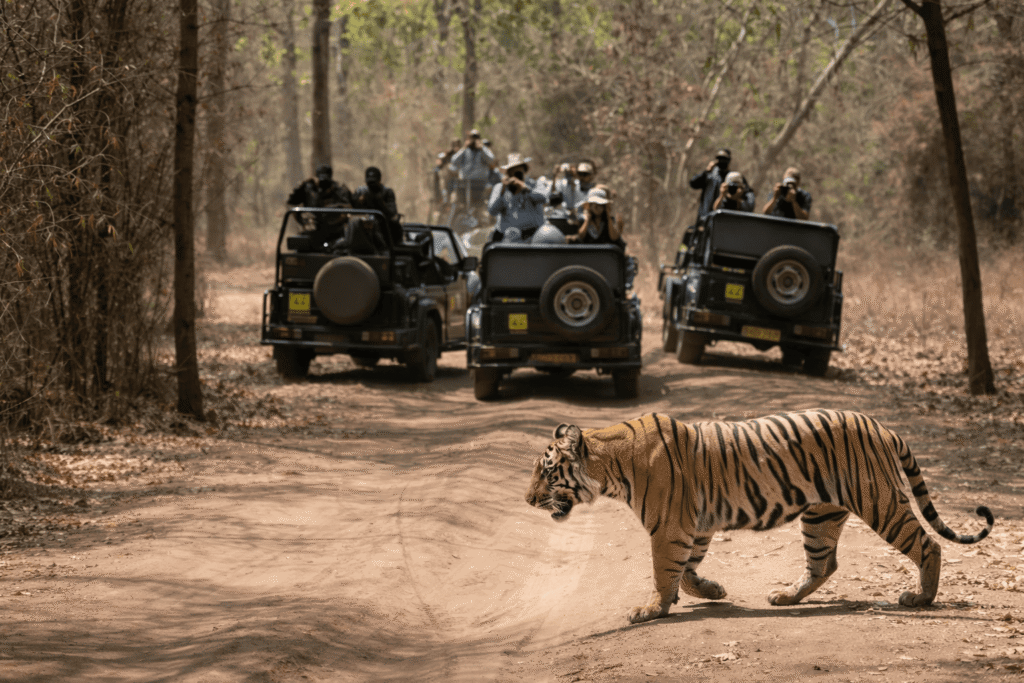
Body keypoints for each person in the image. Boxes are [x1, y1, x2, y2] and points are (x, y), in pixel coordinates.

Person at [487, 153, 547, 243]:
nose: (517, 173)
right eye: (513, 171)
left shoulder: (534, 184)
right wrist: (503, 190)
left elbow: (543, 198)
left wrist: (524, 188)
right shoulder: (500, 187)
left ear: (524, 170)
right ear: (508, 172)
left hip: (531, 235)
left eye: (520, 170)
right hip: (507, 236)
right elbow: (492, 211)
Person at [448, 129, 497, 224]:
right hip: (465, 184)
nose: (474, 141)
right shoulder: (465, 150)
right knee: (458, 204)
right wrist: (464, 148)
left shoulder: (483, 150)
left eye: (476, 138)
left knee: (481, 204)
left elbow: (491, 160)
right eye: (472, 138)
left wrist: (482, 148)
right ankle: (453, 223)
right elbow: (454, 161)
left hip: (480, 184)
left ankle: (484, 221)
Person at [353, 166, 402, 244]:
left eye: (374, 182)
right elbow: (352, 211)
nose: (372, 186)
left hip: (383, 226)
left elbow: (392, 214)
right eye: (369, 183)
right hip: (364, 225)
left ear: (379, 180)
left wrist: (380, 202)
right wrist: (358, 202)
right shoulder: (361, 191)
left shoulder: (387, 192)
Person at [689, 148, 731, 222]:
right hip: (704, 215)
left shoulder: (730, 177)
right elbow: (693, 184)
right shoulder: (709, 176)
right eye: (719, 159)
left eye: (724, 159)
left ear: (728, 161)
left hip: (722, 219)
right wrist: (707, 170)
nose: (721, 161)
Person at [287, 164, 352, 209]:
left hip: (336, 226)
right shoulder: (309, 190)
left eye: (326, 180)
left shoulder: (339, 189)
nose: (324, 182)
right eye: (321, 179)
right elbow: (292, 201)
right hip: (313, 225)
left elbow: (349, 206)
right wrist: (303, 185)